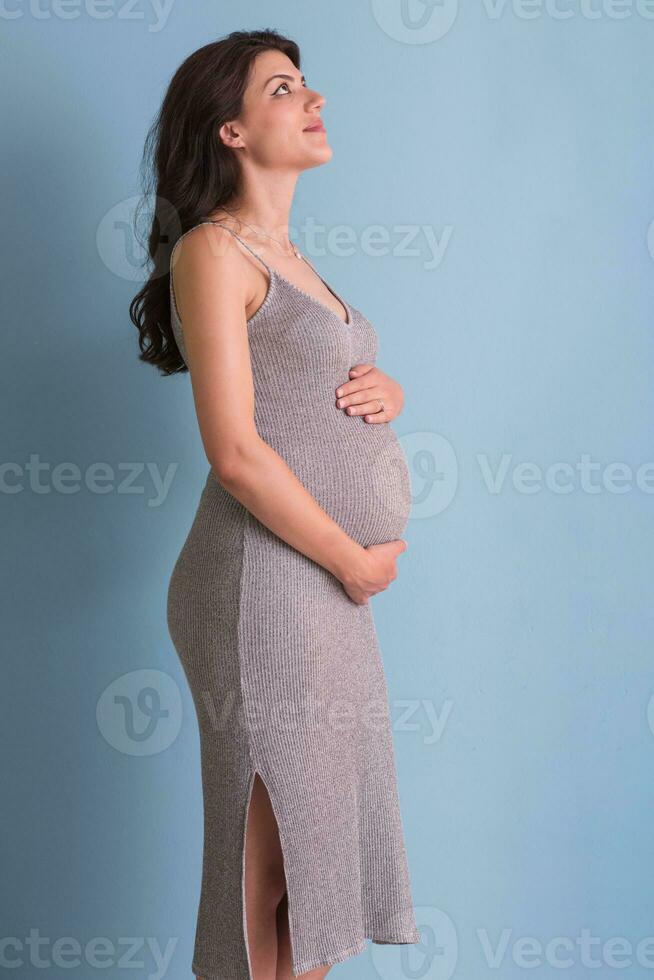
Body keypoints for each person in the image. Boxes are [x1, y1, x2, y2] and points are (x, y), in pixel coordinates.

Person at [130, 28, 420, 980]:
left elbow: (309, 393)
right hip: (264, 584)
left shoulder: (290, 254)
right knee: (271, 868)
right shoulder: (212, 253)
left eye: (309, 84)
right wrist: (350, 559)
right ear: (231, 131)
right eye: (283, 88)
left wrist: (389, 394)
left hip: (324, 589)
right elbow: (239, 453)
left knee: (317, 874)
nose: (314, 99)